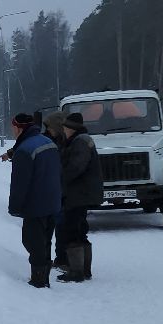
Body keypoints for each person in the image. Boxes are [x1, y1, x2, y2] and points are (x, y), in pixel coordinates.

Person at [7, 111, 62, 288]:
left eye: (13, 127)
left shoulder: (24, 150)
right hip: (53, 200)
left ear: (19, 128)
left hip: (35, 204)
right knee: (45, 240)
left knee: (32, 241)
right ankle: (44, 277)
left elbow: (20, 183)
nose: (12, 131)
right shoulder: (48, 143)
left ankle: (38, 280)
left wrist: (15, 207)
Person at [56, 111, 104, 283]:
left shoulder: (80, 142)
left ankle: (76, 272)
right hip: (81, 193)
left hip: (78, 194)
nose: (63, 130)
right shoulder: (81, 140)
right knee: (79, 230)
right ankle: (84, 270)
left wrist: (60, 179)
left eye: (65, 127)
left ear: (71, 128)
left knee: (73, 231)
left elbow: (76, 167)